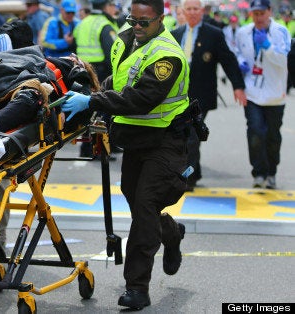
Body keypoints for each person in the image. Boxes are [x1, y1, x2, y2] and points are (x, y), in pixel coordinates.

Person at [60, 0, 189, 308]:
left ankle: (137, 288)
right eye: (133, 20)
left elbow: (141, 98)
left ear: (161, 19)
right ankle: (171, 232)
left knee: (144, 205)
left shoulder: (166, 56)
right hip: (135, 140)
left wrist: (93, 103)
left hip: (166, 141)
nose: (138, 27)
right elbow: (118, 81)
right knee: (137, 203)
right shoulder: (125, 38)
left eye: (145, 22)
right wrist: (94, 94)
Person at [171, 0, 246, 191]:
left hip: (201, 96)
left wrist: (238, 86)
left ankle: (188, 177)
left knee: (193, 135)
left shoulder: (214, 34)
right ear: (183, 11)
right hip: (178, 97)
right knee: (183, 136)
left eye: (196, 9)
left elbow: (228, 61)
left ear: (202, 11)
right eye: (189, 9)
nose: (193, 12)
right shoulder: (175, 35)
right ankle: (193, 172)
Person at [234, 0, 290, 189]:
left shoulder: (281, 31)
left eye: (261, 13)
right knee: (256, 132)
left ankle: (271, 172)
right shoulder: (243, 32)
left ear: (269, 12)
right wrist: (240, 62)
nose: (258, 17)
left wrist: (266, 46)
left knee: (273, 136)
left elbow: (283, 61)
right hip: (252, 92)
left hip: (275, 94)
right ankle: (258, 173)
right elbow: (238, 52)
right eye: (254, 13)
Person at [73, 0, 118, 158]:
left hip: (81, 71)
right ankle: (98, 150)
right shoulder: (105, 25)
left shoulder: (83, 23)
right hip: (100, 72)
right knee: (102, 110)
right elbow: (112, 54)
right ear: (106, 7)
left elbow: (74, 45)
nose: (115, 9)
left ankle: (89, 148)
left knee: (88, 109)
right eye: (113, 6)